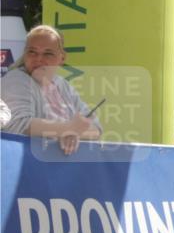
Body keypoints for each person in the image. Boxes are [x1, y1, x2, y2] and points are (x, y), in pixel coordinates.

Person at [1, 25, 103, 155]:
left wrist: (73, 133)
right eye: (32, 52)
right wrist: (68, 128)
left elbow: (96, 129)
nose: (39, 59)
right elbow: (17, 124)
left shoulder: (63, 85)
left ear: (62, 58)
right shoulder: (16, 79)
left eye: (48, 53)